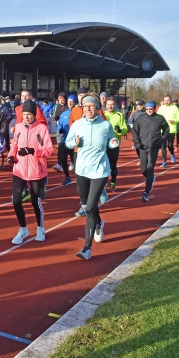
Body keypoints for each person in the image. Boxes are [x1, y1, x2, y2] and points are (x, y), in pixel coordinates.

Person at [64, 95, 118, 260]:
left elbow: (110, 140)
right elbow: (68, 143)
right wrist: (75, 142)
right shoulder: (77, 125)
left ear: (97, 108)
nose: (88, 109)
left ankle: (87, 247)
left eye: (91, 106)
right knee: (88, 204)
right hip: (82, 170)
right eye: (85, 106)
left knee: (88, 207)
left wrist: (113, 142)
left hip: (100, 170)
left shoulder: (105, 125)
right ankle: (99, 222)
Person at [8, 100, 54, 244]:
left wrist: (34, 151)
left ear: (34, 114)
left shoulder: (41, 129)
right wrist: (11, 156)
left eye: (29, 114)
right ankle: (23, 229)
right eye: (24, 115)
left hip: (36, 170)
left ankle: (40, 228)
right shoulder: (18, 127)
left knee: (35, 201)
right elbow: (14, 144)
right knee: (16, 201)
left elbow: (49, 149)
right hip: (19, 170)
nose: (27, 117)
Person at [132, 100, 170, 202]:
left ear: (154, 109)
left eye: (151, 109)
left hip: (154, 147)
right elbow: (135, 131)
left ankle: (146, 192)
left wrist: (161, 140)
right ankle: (151, 178)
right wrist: (137, 142)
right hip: (143, 147)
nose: (149, 111)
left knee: (150, 168)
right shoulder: (140, 118)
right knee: (143, 169)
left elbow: (167, 130)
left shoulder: (159, 118)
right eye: (147, 109)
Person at [104, 97, 128, 192]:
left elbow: (125, 129)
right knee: (104, 165)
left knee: (112, 165)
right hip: (103, 144)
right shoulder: (103, 115)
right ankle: (103, 182)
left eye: (112, 104)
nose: (110, 106)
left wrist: (120, 130)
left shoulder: (119, 115)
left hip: (114, 144)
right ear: (105, 105)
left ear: (115, 105)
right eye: (108, 104)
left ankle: (113, 182)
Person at [157, 96, 179, 167]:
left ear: (170, 100)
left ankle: (172, 154)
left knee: (170, 145)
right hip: (162, 130)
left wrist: (174, 121)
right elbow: (157, 117)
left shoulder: (175, 108)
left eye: (168, 100)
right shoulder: (161, 108)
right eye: (165, 100)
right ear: (163, 101)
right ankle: (164, 161)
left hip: (171, 129)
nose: (166, 101)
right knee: (163, 146)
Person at [55, 94, 75, 185]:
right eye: (69, 102)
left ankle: (82, 178)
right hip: (65, 141)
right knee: (63, 159)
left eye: (72, 102)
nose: (70, 103)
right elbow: (59, 126)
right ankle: (67, 177)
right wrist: (60, 129)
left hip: (75, 142)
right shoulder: (64, 114)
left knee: (76, 161)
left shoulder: (79, 112)